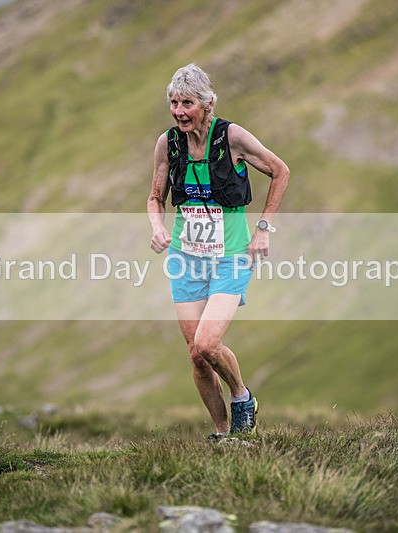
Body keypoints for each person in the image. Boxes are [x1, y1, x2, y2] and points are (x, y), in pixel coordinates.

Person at [147, 64, 290, 438]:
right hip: (185, 258)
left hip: (231, 256)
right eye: (174, 102)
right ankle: (223, 434)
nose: (179, 111)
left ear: (207, 104)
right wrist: (157, 227)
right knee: (196, 355)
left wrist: (263, 229)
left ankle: (242, 396)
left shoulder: (233, 137)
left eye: (187, 103)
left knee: (208, 343)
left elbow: (281, 171)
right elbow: (154, 198)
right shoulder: (169, 143)